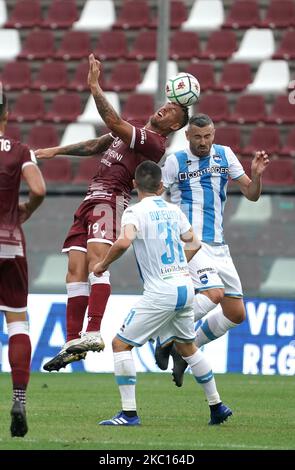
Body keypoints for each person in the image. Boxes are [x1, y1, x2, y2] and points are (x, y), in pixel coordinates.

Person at [35, 54, 189, 372]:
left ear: (174, 125)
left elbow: (113, 123)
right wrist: (56, 150)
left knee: (96, 263)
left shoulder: (155, 143)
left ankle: (93, 331)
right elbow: (98, 143)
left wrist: (94, 86)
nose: (166, 106)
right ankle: (73, 339)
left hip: (111, 200)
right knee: (75, 268)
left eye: (173, 109)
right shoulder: (132, 131)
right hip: (90, 199)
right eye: (168, 103)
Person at [93, 160, 232, 426]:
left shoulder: (134, 212)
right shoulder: (173, 210)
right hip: (185, 288)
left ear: (134, 185)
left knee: (120, 345)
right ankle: (217, 406)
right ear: (160, 186)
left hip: (160, 291)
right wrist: (180, 262)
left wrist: (102, 265)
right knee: (188, 347)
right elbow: (195, 242)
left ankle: (129, 414)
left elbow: (124, 241)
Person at [156, 113, 270, 386]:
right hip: (191, 242)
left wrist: (256, 176)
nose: (203, 142)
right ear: (187, 136)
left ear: (214, 134)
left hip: (219, 244)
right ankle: (164, 334)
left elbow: (252, 195)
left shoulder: (225, 155)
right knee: (214, 293)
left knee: (236, 314)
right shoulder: (175, 161)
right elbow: (156, 197)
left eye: (208, 136)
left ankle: (186, 348)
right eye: (198, 137)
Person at [0, 92, 46, 436]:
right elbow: (40, 190)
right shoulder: (19, 150)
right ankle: (19, 398)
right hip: (10, 241)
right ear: (7, 112)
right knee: (17, 321)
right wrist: (23, 212)